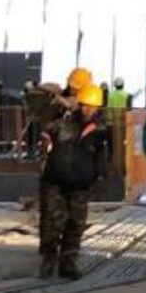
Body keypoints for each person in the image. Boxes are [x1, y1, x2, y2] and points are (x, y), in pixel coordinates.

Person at [38, 67, 112, 279]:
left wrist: (100, 177)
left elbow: (103, 155)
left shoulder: (100, 128)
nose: (89, 110)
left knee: (76, 224)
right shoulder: (64, 120)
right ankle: (49, 259)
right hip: (56, 179)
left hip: (81, 182)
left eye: (93, 107)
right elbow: (45, 124)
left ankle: (68, 263)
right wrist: (54, 100)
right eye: (86, 105)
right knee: (53, 222)